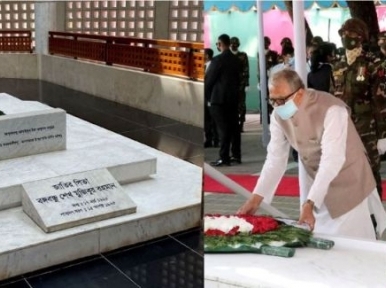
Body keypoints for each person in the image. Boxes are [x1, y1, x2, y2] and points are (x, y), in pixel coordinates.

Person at [237, 69, 386, 240]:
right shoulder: (278, 115)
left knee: (352, 246)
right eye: (273, 100)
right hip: (319, 185)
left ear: (299, 94)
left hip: (349, 182)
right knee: (321, 241)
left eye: (281, 100)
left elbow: (332, 160)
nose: (277, 106)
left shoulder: (332, 109)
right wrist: (256, 199)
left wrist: (310, 203)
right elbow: (275, 160)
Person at [334, 18, 386, 199]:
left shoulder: (372, 63)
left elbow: (380, 102)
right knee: (347, 170)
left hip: (367, 127)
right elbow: (334, 97)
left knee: (370, 170)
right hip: (343, 127)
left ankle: (376, 216)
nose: (347, 37)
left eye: (352, 34)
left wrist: (383, 135)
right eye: (344, 34)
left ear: (361, 37)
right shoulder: (339, 65)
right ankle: (357, 214)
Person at [205, 34, 241, 166]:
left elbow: (209, 80)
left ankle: (224, 157)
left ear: (220, 44)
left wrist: (208, 97)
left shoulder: (217, 60)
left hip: (218, 99)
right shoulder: (236, 60)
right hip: (232, 99)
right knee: (234, 128)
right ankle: (236, 155)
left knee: (223, 129)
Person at [230, 37, 249, 135]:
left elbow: (246, 69)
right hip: (229, 85)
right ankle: (233, 125)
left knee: (241, 105)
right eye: (232, 43)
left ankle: (241, 124)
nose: (234, 45)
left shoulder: (243, 55)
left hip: (241, 84)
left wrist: (246, 84)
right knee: (231, 105)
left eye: (235, 43)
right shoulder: (227, 56)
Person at [204, 48, 219, 148]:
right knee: (206, 120)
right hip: (204, 96)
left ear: (207, 55)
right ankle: (208, 139)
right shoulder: (203, 66)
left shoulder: (214, 65)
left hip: (212, 96)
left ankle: (216, 140)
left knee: (214, 120)